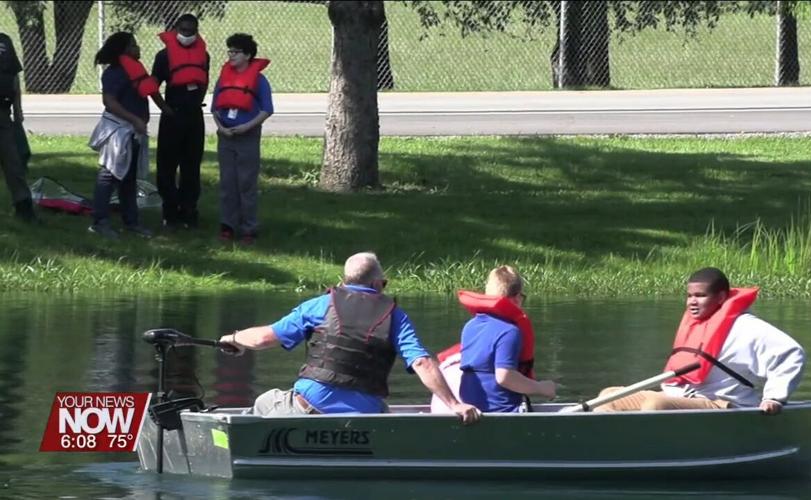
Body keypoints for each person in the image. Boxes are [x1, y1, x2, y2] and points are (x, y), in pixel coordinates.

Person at [218, 252, 481, 424]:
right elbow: (422, 363)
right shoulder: (395, 316)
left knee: (264, 401)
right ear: (378, 283)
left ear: (344, 280)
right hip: (364, 419)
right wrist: (454, 404)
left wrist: (233, 337)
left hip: (310, 409)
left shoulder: (320, 306)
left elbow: (263, 338)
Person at [594, 267, 806, 415]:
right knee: (609, 395)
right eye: (689, 296)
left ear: (721, 297)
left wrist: (774, 397)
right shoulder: (697, 324)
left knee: (655, 404)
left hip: (723, 404)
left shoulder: (746, 327)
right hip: (681, 397)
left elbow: (791, 353)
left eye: (700, 296)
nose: (692, 302)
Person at [88, 32, 168, 239]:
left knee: (129, 179)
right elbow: (110, 102)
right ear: (122, 50)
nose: (137, 48)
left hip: (133, 131)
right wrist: (134, 119)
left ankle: (131, 221)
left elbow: (152, 93)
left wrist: (167, 110)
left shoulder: (135, 71)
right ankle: (99, 221)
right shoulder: (114, 73)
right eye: (133, 45)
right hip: (118, 130)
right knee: (109, 175)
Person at [451, 266, 557, 413]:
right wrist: (541, 388)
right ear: (517, 299)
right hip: (503, 411)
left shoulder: (470, 326)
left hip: (472, 410)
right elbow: (505, 377)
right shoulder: (509, 331)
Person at [211, 33, 273, 245]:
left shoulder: (259, 80)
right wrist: (222, 129)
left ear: (247, 55)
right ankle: (228, 225)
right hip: (226, 136)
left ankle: (249, 228)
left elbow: (267, 109)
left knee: (246, 183)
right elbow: (215, 108)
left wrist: (246, 127)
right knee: (228, 183)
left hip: (247, 135)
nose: (231, 55)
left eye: (236, 52)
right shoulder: (224, 77)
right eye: (229, 51)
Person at [151, 14, 210, 229]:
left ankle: (189, 209)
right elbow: (153, 85)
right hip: (172, 115)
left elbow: (204, 82)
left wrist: (196, 103)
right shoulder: (164, 56)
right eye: (183, 30)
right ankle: (170, 211)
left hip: (194, 116)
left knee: (191, 165)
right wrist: (164, 108)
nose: (187, 35)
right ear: (176, 29)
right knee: (167, 165)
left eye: (191, 31)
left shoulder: (203, 55)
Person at [0, 32, 36, 222]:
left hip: (3, 113)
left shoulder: (5, 41)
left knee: (13, 162)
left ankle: (24, 208)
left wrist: (18, 108)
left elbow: (14, 77)